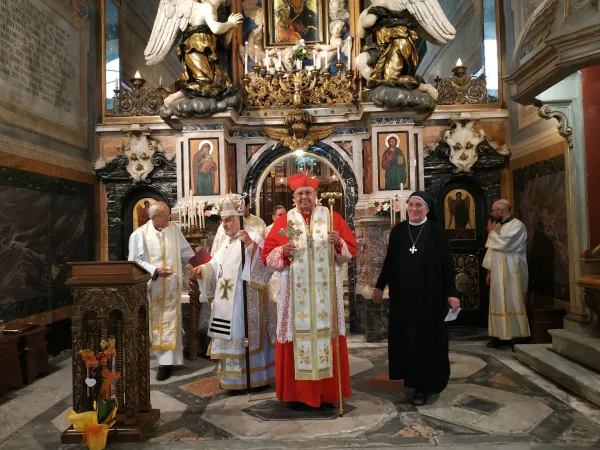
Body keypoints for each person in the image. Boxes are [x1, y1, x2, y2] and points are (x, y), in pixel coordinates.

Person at [263, 174, 356, 409]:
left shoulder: (332, 218)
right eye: (299, 193)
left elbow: (348, 254)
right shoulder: (284, 221)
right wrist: (282, 252)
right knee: (296, 336)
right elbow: (267, 258)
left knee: (326, 337)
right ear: (293, 197)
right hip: (294, 297)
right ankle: (297, 393)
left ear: (316, 196)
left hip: (325, 298)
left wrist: (338, 244)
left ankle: (326, 392)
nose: (304, 197)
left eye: (308, 193)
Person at [373, 191, 460, 406]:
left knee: (427, 341)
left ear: (427, 209)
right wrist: (379, 286)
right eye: (410, 205)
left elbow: (447, 266)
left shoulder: (437, 232)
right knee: (409, 341)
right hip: (404, 298)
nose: (413, 209)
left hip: (430, 299)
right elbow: (390, 262)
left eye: (418, 205)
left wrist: (452, 293)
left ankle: (424, 386)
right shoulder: (399, 231)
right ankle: (412, 380)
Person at [191, 193, 276, 389]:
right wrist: (202, 270)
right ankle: (231, 379)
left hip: (245, 299)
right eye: (222, 221)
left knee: (243, 335)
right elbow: (214, 264)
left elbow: (265, 266)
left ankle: (252, 378)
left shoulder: (252, 236)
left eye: (228, 220)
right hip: (227, 301)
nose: (225, 225)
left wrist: (249, 245)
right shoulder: (225, 243)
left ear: (239, 219)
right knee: (229, 334)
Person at [128, 202, 194, 381]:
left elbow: (186, 253)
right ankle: (164, 364)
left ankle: (173, 360)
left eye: (168, 214)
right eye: (165, 216)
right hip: (154, 287)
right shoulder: (139, 235)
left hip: (173, 285)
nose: (169, 218)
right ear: (153, 218)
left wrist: (196, 264)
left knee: (172, 321)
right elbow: (134, 261)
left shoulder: (174, 230)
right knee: (160, 323)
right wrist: (155, 270)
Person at [483, 199, 530, 349]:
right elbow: (492, 249)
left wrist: (491, 233)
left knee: (513, 300)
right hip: (497, 272)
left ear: (501, 211)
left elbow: (505, 244)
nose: (492, 213)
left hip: (512, 271)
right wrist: (489, 270)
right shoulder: (498, 227)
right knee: (497, 301)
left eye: (493, 210)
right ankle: (499, 335)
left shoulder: (517, 226)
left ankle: (518, 336)